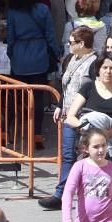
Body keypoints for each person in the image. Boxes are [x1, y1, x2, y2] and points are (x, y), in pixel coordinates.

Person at [42, 26, 98, 210]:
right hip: (68, 115)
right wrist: (60, 105)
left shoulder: (95, 63)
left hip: (85, 116)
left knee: (87, 156)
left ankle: (90, 195)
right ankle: (61, 194)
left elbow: (95, 90)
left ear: (82, 44)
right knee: (67, 156)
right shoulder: (71, 59)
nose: (68, 44)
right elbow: (66, 85)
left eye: (71, 42)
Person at [5, 0, 63, 147]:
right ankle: (36, 135)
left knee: (13, 97)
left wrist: (11, 54)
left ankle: (6, 131)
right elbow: (50, 36)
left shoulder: (13, 11)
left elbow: (10, 37)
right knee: (37, 98)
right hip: (39, 56)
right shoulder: (43, 9)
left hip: (19, 57)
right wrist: (56, 53)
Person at [64, 52, 112, 183]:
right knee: (91, 186)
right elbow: (70, 116)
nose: (108, 71)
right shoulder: (88, 88)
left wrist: (108, 133)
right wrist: (85, 129)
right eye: (104, 67)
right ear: (98, 69)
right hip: (91, 147)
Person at [61, 128, 112, 222]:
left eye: (103, 145)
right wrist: (67, 221)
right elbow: (68, 193)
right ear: (86, 148)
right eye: (96, 147)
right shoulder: (79, 166)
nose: (101, 150)